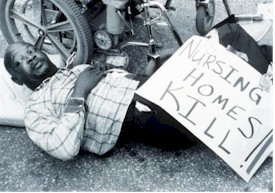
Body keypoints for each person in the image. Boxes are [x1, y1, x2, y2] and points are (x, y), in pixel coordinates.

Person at [3, 23, 272, 161]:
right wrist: (78, 93)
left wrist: (155, 65)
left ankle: (263, 72)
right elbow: (62, 148)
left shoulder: (78, 68)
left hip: (154, 88)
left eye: (30, 50)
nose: (30, 56)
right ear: (16, 79)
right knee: (220, 96)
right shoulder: (36, 109)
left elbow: (132, 81)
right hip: (146, 116)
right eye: (20, 61)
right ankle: (261, 107)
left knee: (225, 35)